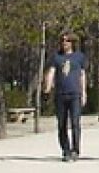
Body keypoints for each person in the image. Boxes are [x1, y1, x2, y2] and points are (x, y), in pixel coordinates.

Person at [42, 32, 88, 162]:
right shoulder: (56, 57)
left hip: (75, 94)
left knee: (75, 122)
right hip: (60, 94)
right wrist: (47, 89)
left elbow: (82, 75)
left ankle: (75, 150)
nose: (64, 43)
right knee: (62, 124)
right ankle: (65, 150)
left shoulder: (79, 57)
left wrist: (84, 92)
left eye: (67, 41)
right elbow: (51, 72)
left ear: (72, 43)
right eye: (62, 40)